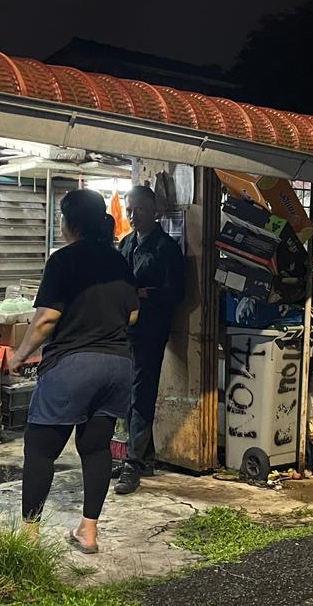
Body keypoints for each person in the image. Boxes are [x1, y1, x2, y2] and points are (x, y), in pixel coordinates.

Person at [9, 189, 139, 553]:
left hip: (73, 365)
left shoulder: (64, 260)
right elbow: (133, 314)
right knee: (95, 448)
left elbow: (46, 319)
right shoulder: (118, 261)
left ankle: (29, 536)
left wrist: (19, 355)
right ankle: (88, 532)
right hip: (117, 367)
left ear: (69, 223)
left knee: (40, 449)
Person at [114, 186, 185, 495]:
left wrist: (143, 294)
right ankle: (145, 458)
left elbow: (175, 292)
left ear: (154, 211)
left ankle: (133, 463)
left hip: (151, 329)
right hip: (126, 329)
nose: (133, 216)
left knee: (141, 394)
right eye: (130, 210)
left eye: (139, 209)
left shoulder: (166, 248)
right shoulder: (126, 243)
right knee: (129, 393)